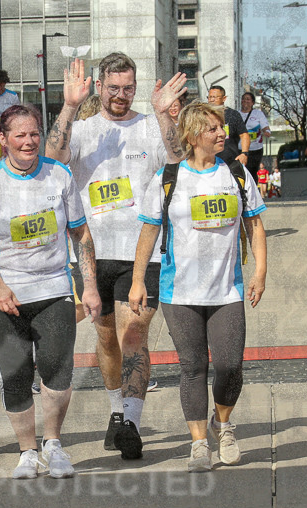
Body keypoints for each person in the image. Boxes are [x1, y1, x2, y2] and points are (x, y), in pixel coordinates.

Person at [43, 53, 183, 460]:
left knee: (133, 333)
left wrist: (164, 116)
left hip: (142, 252)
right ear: (100, 87)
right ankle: (117, 412)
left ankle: (133, 423)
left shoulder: (149, 127)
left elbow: (175, 157)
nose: (122, 96)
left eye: (129, 88)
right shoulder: (85, 129)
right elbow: (52, 157)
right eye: (114, 88)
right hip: (91, 252)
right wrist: (69, 105)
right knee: (106, 339)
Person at [129, 101, 267, 473]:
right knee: (192, 367)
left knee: (229, 365)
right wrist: (139, 279)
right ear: (192, 135)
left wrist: (260, 271)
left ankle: (223, 425)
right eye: (213, 129)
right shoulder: (168, 177)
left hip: (227, 290)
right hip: (181, 292)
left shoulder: (236, 173)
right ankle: (198, 443)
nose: (222, 133)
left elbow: (254, 224)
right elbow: (148, 229)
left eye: (221, 128)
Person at [0, 104, 101, 479]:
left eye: (34, 134)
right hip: (4, 295)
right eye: (20, 135)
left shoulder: (58, 175)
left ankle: (54, 444)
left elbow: (80, 233)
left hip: (53, 287)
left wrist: (89, 285)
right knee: (16, 373)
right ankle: (27, 451)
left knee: (58, 368)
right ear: (4, 140)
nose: (29, 142)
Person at [206, 85, 250, 167]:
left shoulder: (233, 114)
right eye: (209, 97)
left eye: (215, 97)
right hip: (208, 162)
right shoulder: (202, 115)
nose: (212, 100)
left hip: (230, 162)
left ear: (224, 98)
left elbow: (244, 135)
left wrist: (244, 153)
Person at [239, 92, 270, 178]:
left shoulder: (258, 114)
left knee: (252, 173)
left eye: (248, 99)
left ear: (252, 103)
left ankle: (252, 190)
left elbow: (265, 126)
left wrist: (267, 131)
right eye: (244, 99)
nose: (245, 101)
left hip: (255, 149)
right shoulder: (237, 114)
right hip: (240, 149)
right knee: (241, 172)